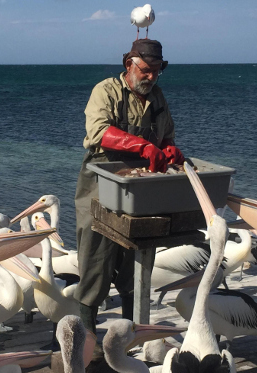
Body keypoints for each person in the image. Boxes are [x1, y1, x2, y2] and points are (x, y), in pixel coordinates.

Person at [73, 39, 185, 334]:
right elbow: (98, 132)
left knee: (134, 263)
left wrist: (171, 150)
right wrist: (143, 146)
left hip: (139, 189)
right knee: (95, 259)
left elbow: (167, 137)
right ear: (129, 65)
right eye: (147, 70)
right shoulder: (106, 91)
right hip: (99, 185)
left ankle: (127, 337)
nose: (152, 77)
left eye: (157, 71)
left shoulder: (158, 98)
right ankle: (86, 340)